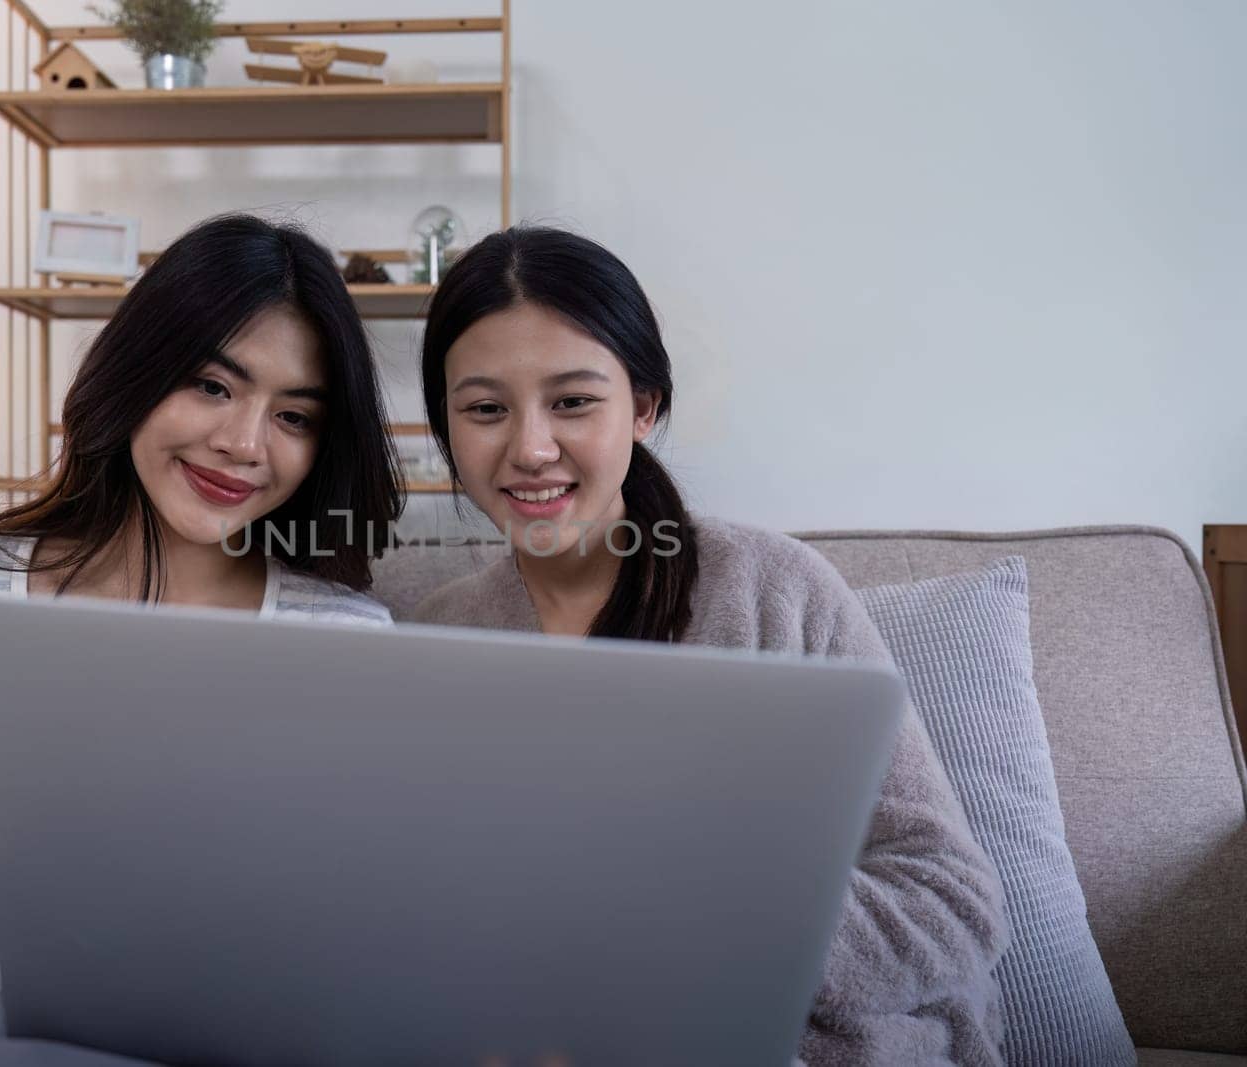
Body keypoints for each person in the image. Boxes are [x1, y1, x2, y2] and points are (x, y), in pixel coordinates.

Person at [409, 226, 1009, 1065]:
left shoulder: (773, 590)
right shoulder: (439, 637)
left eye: (574, 401)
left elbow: (954, 902)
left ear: (644, 408)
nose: (530, 447)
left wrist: (701, 931)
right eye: (484, 409)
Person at [0, 214, 401, 1046]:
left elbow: (374, 953)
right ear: (137, 373)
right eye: (212, 385)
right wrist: (106, 941)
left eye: (295, 416)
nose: (243, 443)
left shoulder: (354, 644)